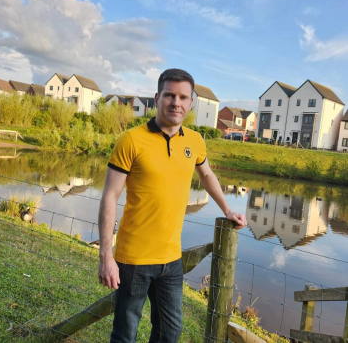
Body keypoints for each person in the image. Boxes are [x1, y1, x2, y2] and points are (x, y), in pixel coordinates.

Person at [98, 68, 247, 343]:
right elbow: (110, 195)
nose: (175, 102)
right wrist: (106, 255)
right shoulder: (131, 140)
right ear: (157, 98)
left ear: (191, 103)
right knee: (125, 334)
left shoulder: (195, 140)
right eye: (169, 95)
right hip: (133, 260)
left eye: (182, 97)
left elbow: (207, 175)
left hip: (171, 259)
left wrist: (227, 210)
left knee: (170, 332)